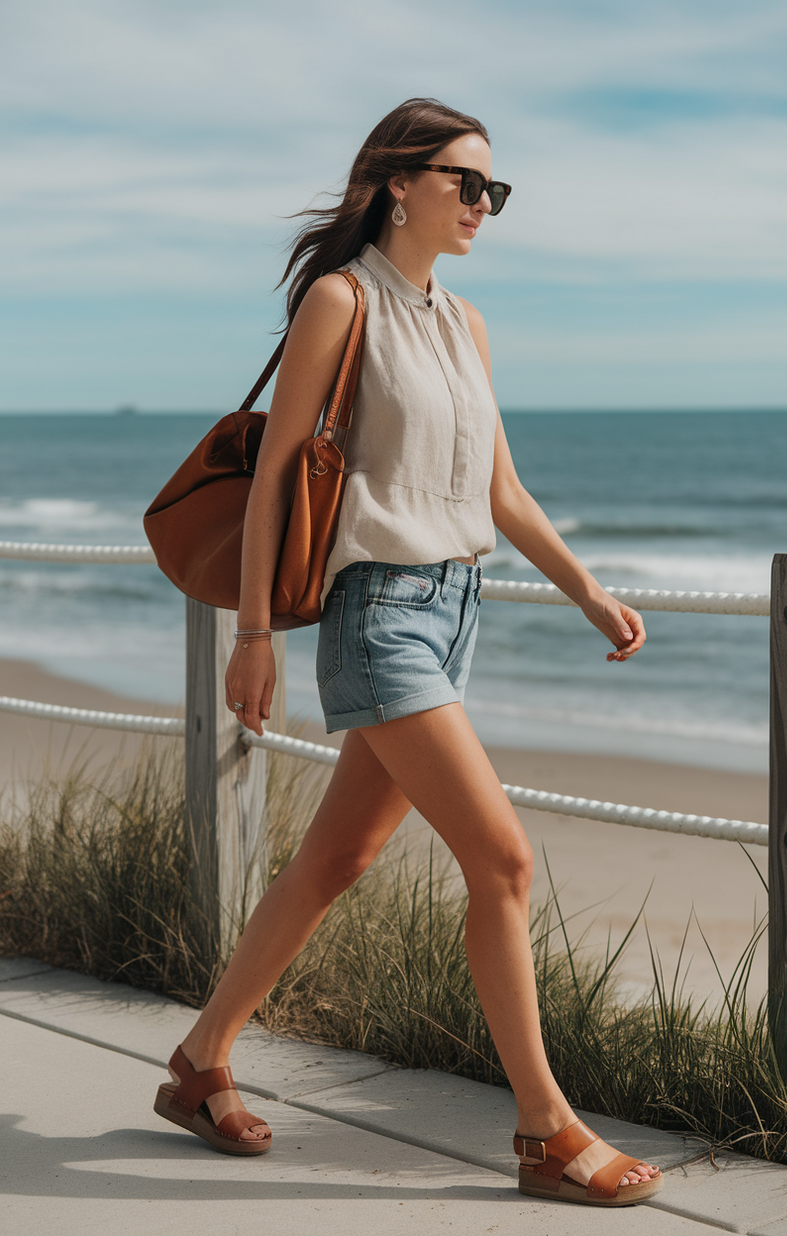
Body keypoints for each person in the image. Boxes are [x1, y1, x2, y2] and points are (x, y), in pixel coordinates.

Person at [153, 97, 664, 1208]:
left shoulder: (464, 324)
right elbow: (283, 470)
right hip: (377, 615)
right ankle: (543, 1130)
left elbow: (500, 490)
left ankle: (200, 1063)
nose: (482, 204)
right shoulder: (340, 302)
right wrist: (250, 637)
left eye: (493, 189)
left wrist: (587, 593)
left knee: (334, 862)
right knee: (504, 859)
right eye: (463, 182)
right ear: (396, 183)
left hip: (453, 611)